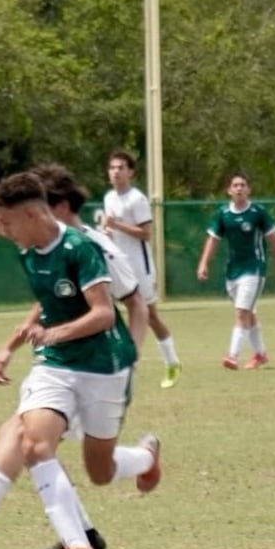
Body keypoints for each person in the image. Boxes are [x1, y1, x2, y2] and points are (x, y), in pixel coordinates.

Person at [0, 171, 160, 549]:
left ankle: (145, 458)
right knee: (28, 438)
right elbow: (46, 296)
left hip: (105, 366)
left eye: (8, 221)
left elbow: (121, 307)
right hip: (56, 364)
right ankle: (17, 525)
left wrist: (131, 354)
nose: (2, 228)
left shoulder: (89, 248)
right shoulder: (30, 242)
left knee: (99, 470)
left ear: (39, 213)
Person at [101, 149, 183, 388]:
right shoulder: (109, 198)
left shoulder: (137, 199)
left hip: (140, 266)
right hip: (118, 265)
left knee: (150, 316)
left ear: (130, 172)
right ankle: (120, 362)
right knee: (107, 311)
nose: (116, 172)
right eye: (112, 168)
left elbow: (146, 234)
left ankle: (172, 361)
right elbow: (111, 228)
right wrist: (107, 233)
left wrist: (117, 224)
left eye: (120, 168)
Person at [196, 171, 275, 370]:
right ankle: (260, 354)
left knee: (241, 313)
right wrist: (204, 263)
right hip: (233, 271)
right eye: (235, 185)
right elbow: (213, 239)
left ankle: (232, 356)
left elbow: (274, 242)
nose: (239, 188)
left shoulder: (258, 213)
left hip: (254, 269)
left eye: (243, 185)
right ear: (229, 191)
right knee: (248, 314)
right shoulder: (223, 214)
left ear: (248, 190)